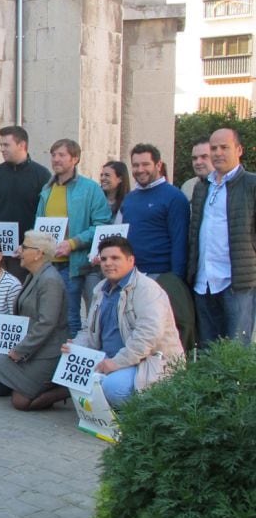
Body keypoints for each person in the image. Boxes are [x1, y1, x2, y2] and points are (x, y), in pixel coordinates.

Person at [68, 236, 184, 408]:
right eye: (104, 259)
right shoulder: (100, 288)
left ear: (131, 260)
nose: (108, 263)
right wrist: (75, 348)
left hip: (147, 363)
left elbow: (147, 337)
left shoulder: (147, 289)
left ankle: (141, 416)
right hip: (110, 358)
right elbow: (88, 330)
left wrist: (116, 363)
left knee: (113, 388)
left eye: (115, 258)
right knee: (70, 369)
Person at [0, 230, 69, 410]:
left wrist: (21, 350)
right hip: (32, 349)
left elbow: (46, 323)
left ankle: (65, 387)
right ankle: (44, 383)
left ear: (38, 254)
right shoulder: (33, 275)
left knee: (20, 402)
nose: (19, 250)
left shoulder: (50, 280)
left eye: (25, 247)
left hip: (47, 352)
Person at [34, 138, 112, 337]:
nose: (56, 159)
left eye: (62, 155)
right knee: (53, 317)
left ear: (75, 158)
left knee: (72, 318)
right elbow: (39, 226)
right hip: (50, 264)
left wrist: (74, 243)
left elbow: (102, 225)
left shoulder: (90, 188)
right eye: (53, 155)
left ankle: (71, 359)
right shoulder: (47, 190)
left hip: (76, 264)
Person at [120, 143, 194, 351]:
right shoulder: (130, 198)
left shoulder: (174, 197)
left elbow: (179, 240)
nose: (140, 170)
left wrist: (175, 280)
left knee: (167, 332)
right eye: (135, 165)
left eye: (145, 164)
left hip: (162, 276)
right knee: (137, 331)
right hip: (133, 276)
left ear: (158, 165)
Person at [188, 127, 256, 346]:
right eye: (214, 148)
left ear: (239, 150)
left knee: (236, 352)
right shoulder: (202, 187)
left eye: (224, 147)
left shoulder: (251, 185)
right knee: (208, 350)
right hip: (203, 281)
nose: (218, 153)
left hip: (236, 282)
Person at [0, 126, 51, 280]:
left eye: (6, 145)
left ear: (22, 145)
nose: (2, 149)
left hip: (23, 252)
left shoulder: (41, 175)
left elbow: (45, 214)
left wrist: (30, 244)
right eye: (1, 145)